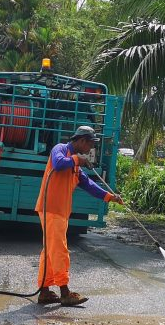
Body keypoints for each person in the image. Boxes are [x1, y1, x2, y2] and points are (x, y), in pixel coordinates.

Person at [35, 126, 124, 306]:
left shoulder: (76, 166)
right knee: (59, 250)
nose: (90, 149)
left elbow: (89, 184)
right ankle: (65, 292)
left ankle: (44, 291)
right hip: (51, 209)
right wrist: (77, 159)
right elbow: (59, 163)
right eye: (90, 144)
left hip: (60, 211)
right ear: (82, 140)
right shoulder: (60, 149)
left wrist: (109, 197)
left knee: (51, 251)